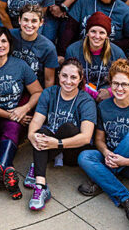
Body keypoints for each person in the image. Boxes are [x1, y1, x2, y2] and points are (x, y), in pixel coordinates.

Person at [77, 60, 129, 222]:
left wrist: (127, 161)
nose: (119, 88)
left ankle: (100, 179)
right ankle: (126, 198)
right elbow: (99, 139)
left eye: (124, 84)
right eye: (115, 83)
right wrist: (106, 152)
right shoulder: (104, 107)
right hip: (112, 159)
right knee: (85, 156)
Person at [0, 26, 42, 199]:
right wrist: (11, 115)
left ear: (9, 44)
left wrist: (24, 108)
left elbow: (38, 92)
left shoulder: (20, 66)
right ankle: (10, 179)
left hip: (15, 112)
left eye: (4, 41)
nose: (0, 45)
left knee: (11, 129)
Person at [25, 58, 97, 210]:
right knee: (41, 132)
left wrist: (57, 144)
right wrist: (33, 136)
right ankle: (41, 186)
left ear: (80, 79)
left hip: (72, 152)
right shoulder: (49, 93)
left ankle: (38, 163)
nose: (68, 81)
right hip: (48, 145)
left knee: (68, 128)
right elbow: (36, 123)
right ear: (58, 76)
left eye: (73, 77)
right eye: (64, 76)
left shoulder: (86, 101)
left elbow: (86, 137)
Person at [65, 12, 127, 100]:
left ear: (107, 36)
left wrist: (110, 91)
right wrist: (89, 91)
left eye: (102, 32)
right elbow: (67, 79)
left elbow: (126, 79)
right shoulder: (73, 50)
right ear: (87, 33)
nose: (97, 36)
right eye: (93, 31)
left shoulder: (117, 53)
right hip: (79, 93)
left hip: (108, 95)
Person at [10, 5, 59, 88]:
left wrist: (45, 99)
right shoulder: (8, 36)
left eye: (34, 21)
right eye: (25, 20)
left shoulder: (48, 47)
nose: (29, 25)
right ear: (19, 20)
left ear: (41, 23)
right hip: (10, 84)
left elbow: (49, 80)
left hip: (35, 89)